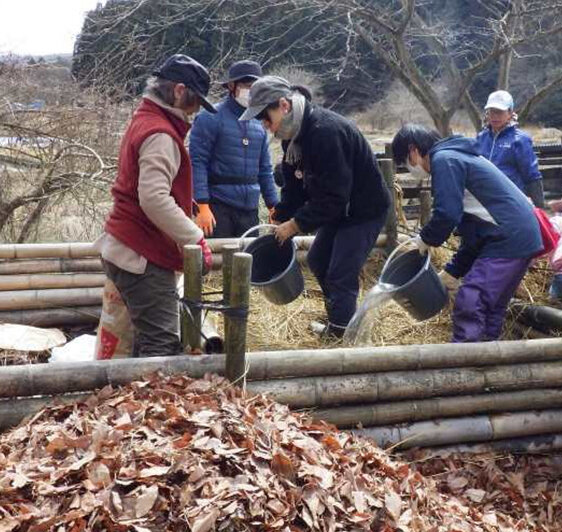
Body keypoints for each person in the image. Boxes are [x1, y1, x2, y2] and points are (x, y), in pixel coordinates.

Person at [239, 76, 390, 339]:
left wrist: (296, 225)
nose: (265, 125)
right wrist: (281, 216)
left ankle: (344, 337)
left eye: (265, 116)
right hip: (338, 209)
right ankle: (340, 321)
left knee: (340, 272)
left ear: (284, 106)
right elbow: (295, 187)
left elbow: (334, 197)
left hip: (362, 210)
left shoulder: (325, 132)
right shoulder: (292, 138)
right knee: (318, 260)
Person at [95, 54, 214, 357]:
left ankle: (126, 397)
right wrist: (195, 237)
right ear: (178, 90)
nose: (196, 108)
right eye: (195, 100)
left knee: (135, 337)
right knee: (161, 343)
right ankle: (149, 404)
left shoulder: (145, 119)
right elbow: (154, 198)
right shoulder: (160, 133)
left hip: (123, 244)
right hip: (141, 252)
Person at [391, 124, 543, 343]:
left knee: (471, 301)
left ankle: (465, 361)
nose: (408, 169)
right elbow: (473, 229)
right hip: (517, 235)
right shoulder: (456, 156)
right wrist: (453, 270)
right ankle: (486, 359)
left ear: (413, 151)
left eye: (405, 163)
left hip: (508, 237)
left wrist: (423, 240)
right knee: (492, 306)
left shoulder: (444, 160)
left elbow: (447, 214)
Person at [189, 60, 278, 237]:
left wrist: (273, 205)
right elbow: (197, 163)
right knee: (218, 261)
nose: (251, 90)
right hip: (218, 206)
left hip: (250, 208)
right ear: (232, 85)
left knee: (249, 259)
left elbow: (265, 170)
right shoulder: (210, 117)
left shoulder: (259, 123)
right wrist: (202, 205)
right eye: (247, 85)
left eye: (256, 86)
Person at [475, 90, 545, 208]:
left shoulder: (520, 140)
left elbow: (532, 176)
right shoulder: (481, 138)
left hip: (512, 201)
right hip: (484, 200)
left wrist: (539, 207)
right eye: (491, 112)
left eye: (499, 112)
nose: (494, 116)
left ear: (510, 113)